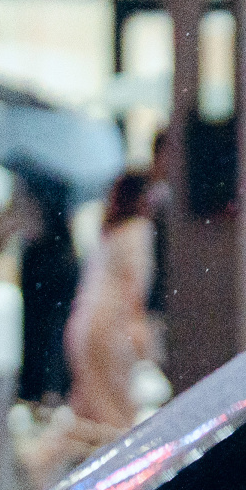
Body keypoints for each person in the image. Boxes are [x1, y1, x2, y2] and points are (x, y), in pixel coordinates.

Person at [64, 170, 155, 431]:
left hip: (83, 325)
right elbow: (133, 285)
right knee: (117, 419)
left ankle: (42, 455)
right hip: (109, 329)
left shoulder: (109, 231)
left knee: (85, 414)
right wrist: (139, 330)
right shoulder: (138, 230)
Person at [16, 169, 79, 408]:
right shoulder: (61, 191)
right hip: (55, 269)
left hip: (44, 272)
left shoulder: (34, 191)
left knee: (44, 333)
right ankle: (50, 389)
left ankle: (44, 390)